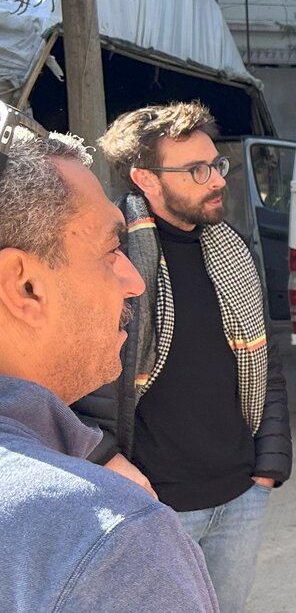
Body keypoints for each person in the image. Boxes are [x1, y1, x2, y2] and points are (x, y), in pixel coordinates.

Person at [67, 102, 289, 613]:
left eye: (216, 165)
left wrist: (269, 464)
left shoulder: (231, 250)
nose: (216, 180)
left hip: (241, 496)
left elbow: (265, 361)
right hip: (153, 503)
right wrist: (106, 459)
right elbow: (72, 378)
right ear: (145, 178)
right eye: (196, 170)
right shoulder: (108, 261)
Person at [0, 125, 217, 611]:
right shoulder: (108, 537)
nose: (132, 282)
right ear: (24, 287)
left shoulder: (230, 249)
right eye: (110, 251)